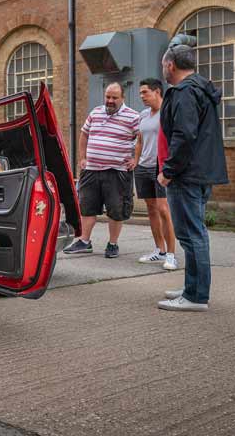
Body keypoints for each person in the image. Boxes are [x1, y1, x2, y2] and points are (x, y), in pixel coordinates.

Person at [156, 44, 228, 312]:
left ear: (171, 65)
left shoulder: (185, 92)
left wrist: (168, 171)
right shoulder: (200, 88)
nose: (163, 69)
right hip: (200, 172)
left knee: (190, 235)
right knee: (195, 233)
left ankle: (196, 296)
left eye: (164, 64)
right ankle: (192, 288)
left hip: (186, 174)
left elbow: (184, 136)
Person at [63, 82, 140, 258]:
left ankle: (112, 244)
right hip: (91, 170)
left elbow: (141, 138)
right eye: (108, 97)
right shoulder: (95, 112)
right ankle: (84, 241)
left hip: (117, 171)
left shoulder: (133, 116)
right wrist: (82, 158)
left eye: (114, 97)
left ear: (123, 98)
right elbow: (84, 134)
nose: (110, 100)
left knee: (116, 209)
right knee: (87, 207)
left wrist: (136, 159)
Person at [133, 78, 177, 270]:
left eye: (145, 92)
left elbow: (175, 140)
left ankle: (171, 254)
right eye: (141, 93)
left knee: (163, 209)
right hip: (143, 167)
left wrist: (168, 167)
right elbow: (140, 141)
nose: (142, 96)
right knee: (151, 209)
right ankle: (159, 250)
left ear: (157, 91)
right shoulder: (143, 115)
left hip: (160, 167)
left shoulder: (167, 113)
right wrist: (136, 161)